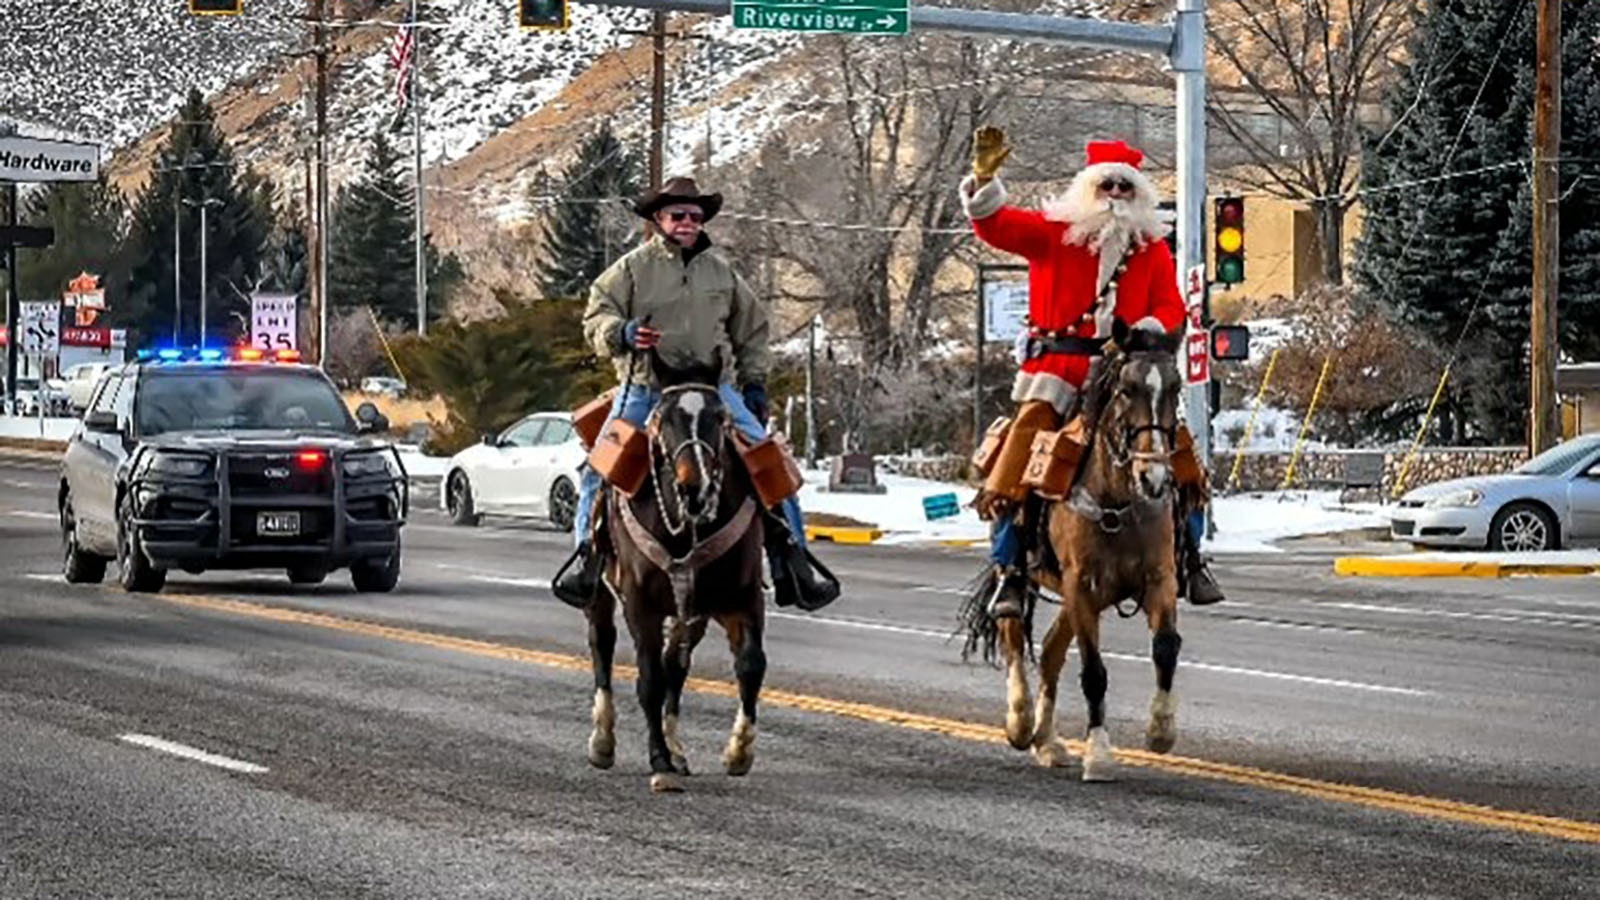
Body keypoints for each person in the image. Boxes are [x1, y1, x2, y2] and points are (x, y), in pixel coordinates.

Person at [960, 129, 1225, 615]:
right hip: (1058, 371)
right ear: (1089, 189)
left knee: (1180, 457)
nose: (1117, 197)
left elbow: (1172, 308)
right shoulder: (1052, 233)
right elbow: (996, 226)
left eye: (1125, 188)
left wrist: (1146, 329)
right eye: (1108, 187)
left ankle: (1191, 559)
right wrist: (983, 179)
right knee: (1015, 461)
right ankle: (1010, 573)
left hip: (1125, 371)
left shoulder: (1151, 249)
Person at [552, 177, 841, 612]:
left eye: (695, 216)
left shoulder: (721, 272)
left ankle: (791, 561)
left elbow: (753, 331)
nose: (688, 222)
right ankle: (587, 560)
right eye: (678, 216)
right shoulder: (630, 270)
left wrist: (755, 384)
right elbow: (596, 317)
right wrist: (623, 333)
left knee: (771, 463)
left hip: (714, 388)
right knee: (599, 468)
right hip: (647, 387)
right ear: (658, 220)